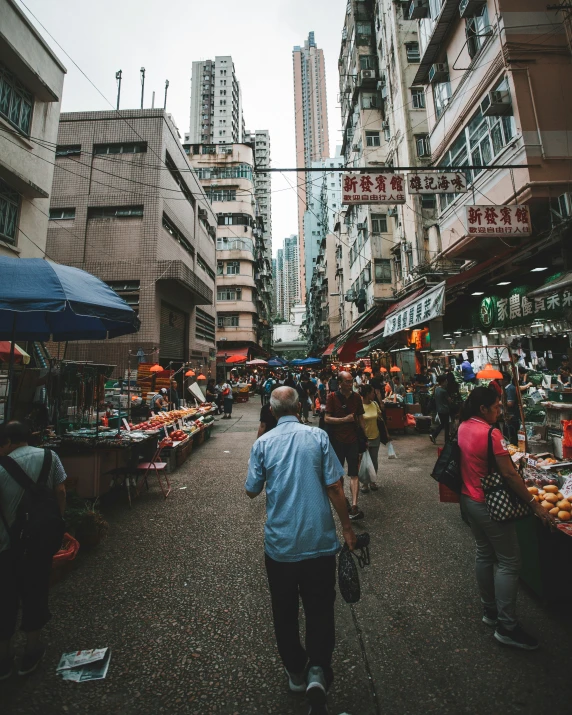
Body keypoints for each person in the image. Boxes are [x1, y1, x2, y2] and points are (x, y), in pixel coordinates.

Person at [245, 387, 356, 713]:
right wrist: (347, 528)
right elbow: (335, 486)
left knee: (284, 610)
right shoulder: (318, 437)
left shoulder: (263, 444)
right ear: (301, 406)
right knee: (320, 607)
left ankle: (296, 670)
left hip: (281, 546)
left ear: (272, 410)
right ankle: (318, 669)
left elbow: (251, 490)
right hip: (319, 542)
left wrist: (261, 451)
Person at [457, 388, 555, 651]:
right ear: (483, 409)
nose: (499, 410)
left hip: (469, 499)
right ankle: (507, 627)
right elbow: (510, 476)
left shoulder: (463, 426)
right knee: (510, 562)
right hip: (489, 504)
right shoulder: (491, 433)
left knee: (484, 554)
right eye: (496, 406)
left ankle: (490, 612)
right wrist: (535, 505)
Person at [0, 421, 67, 678]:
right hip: (39, 541)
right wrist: (58, 524)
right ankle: (31, 650)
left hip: (6, 544)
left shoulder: (1, 465)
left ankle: (4, 659)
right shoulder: (50, 456)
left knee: (5, 598)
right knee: (35, 591)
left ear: (7, 441)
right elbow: (60, 490)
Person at [325, 371, 366, 520]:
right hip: (337, 440)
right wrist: (344, 420)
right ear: (340, 383)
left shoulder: (356, 398)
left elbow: (360, 417)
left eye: (351, 381)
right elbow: (327, 419)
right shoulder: (332, 397)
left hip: (353, 439)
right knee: (339, 475)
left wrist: (364, 436)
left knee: (354, 473)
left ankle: (354, 506)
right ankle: (344, 501)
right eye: (347, 382)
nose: (350, 384)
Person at [359, 385, 380, 493]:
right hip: (364, 438)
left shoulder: (375, 404)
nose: (374, 394)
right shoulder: (359, 406)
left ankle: (373, 481)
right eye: (372, 392)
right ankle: (365, 483)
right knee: (364, 461)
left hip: (375, 436)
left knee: (374, 461)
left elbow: (380, 419)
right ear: (367, 394)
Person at [429, 374, 452, 445]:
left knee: (443, 424)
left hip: (439, 409)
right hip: (445, 410)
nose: (447, 382)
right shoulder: (443, 391)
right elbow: (449, 400)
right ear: (442, 382)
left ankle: (434, 435)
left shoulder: (436, 389)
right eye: (445, 381)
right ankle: (445, 439)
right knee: (446, 425)